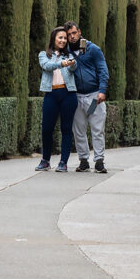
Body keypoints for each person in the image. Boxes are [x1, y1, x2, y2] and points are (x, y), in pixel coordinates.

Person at [64, 21, 109, 173]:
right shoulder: (66, 52)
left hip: (93, 96)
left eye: (74, 33)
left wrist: (102, 90)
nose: (72, 36)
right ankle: (83, 160)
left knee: (97, 128)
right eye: (69, 34)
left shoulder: (93, 49)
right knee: (79, 129)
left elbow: (103, 70)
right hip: (76, 97)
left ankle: (99, 161)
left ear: (80, 32)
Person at [36, 26, 78, 172]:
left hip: (68, 94)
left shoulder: (69, 55)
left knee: (66, 129)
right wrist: (61, 63)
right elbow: (46, 66)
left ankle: (63, 162)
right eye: (60, 37)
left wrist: (71, 63)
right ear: (54, 39)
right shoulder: (44, 55)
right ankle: (45, 160)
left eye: (65, 38)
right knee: (46, 128)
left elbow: (74, 68)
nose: (63, 40)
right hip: (51, 94)